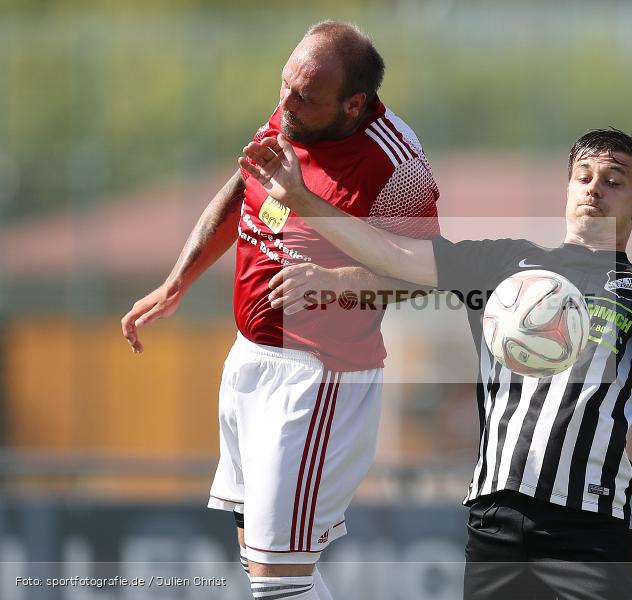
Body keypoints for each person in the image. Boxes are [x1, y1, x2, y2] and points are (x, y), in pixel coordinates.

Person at [239, 127, 632, 600]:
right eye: (583, 176)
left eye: (614, 181)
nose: (593, 189)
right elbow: (397, 256)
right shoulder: (507, 264)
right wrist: (302, 203)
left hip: (590, 530)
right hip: (495, 520)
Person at [121, 21, 440, 600]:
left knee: (279, 582)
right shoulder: (296, 112)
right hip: (250, 359)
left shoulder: (396, 166)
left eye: (306, 96)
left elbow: (426, 273)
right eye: (286, 86)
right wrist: (178, 281)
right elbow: (246, 185)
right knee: (268, 569)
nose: (286, 103)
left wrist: (332, 281)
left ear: (355, 103)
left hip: (318, 381)